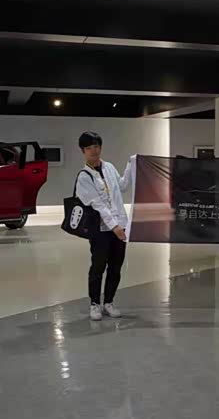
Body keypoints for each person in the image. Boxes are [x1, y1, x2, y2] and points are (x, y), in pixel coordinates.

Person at [76, 131, 133, 321]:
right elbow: (98, 204)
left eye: (96, 146)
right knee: (98, 266)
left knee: (116, 266)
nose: (94, 151)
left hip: (120, 226)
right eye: (89, 148)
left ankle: (109, 301)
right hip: (100, 229)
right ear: (83, 151)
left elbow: (122, 186)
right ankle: (94, 303)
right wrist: (115, 227)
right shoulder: (84, 176)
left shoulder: (109, 167)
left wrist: (131, 164)